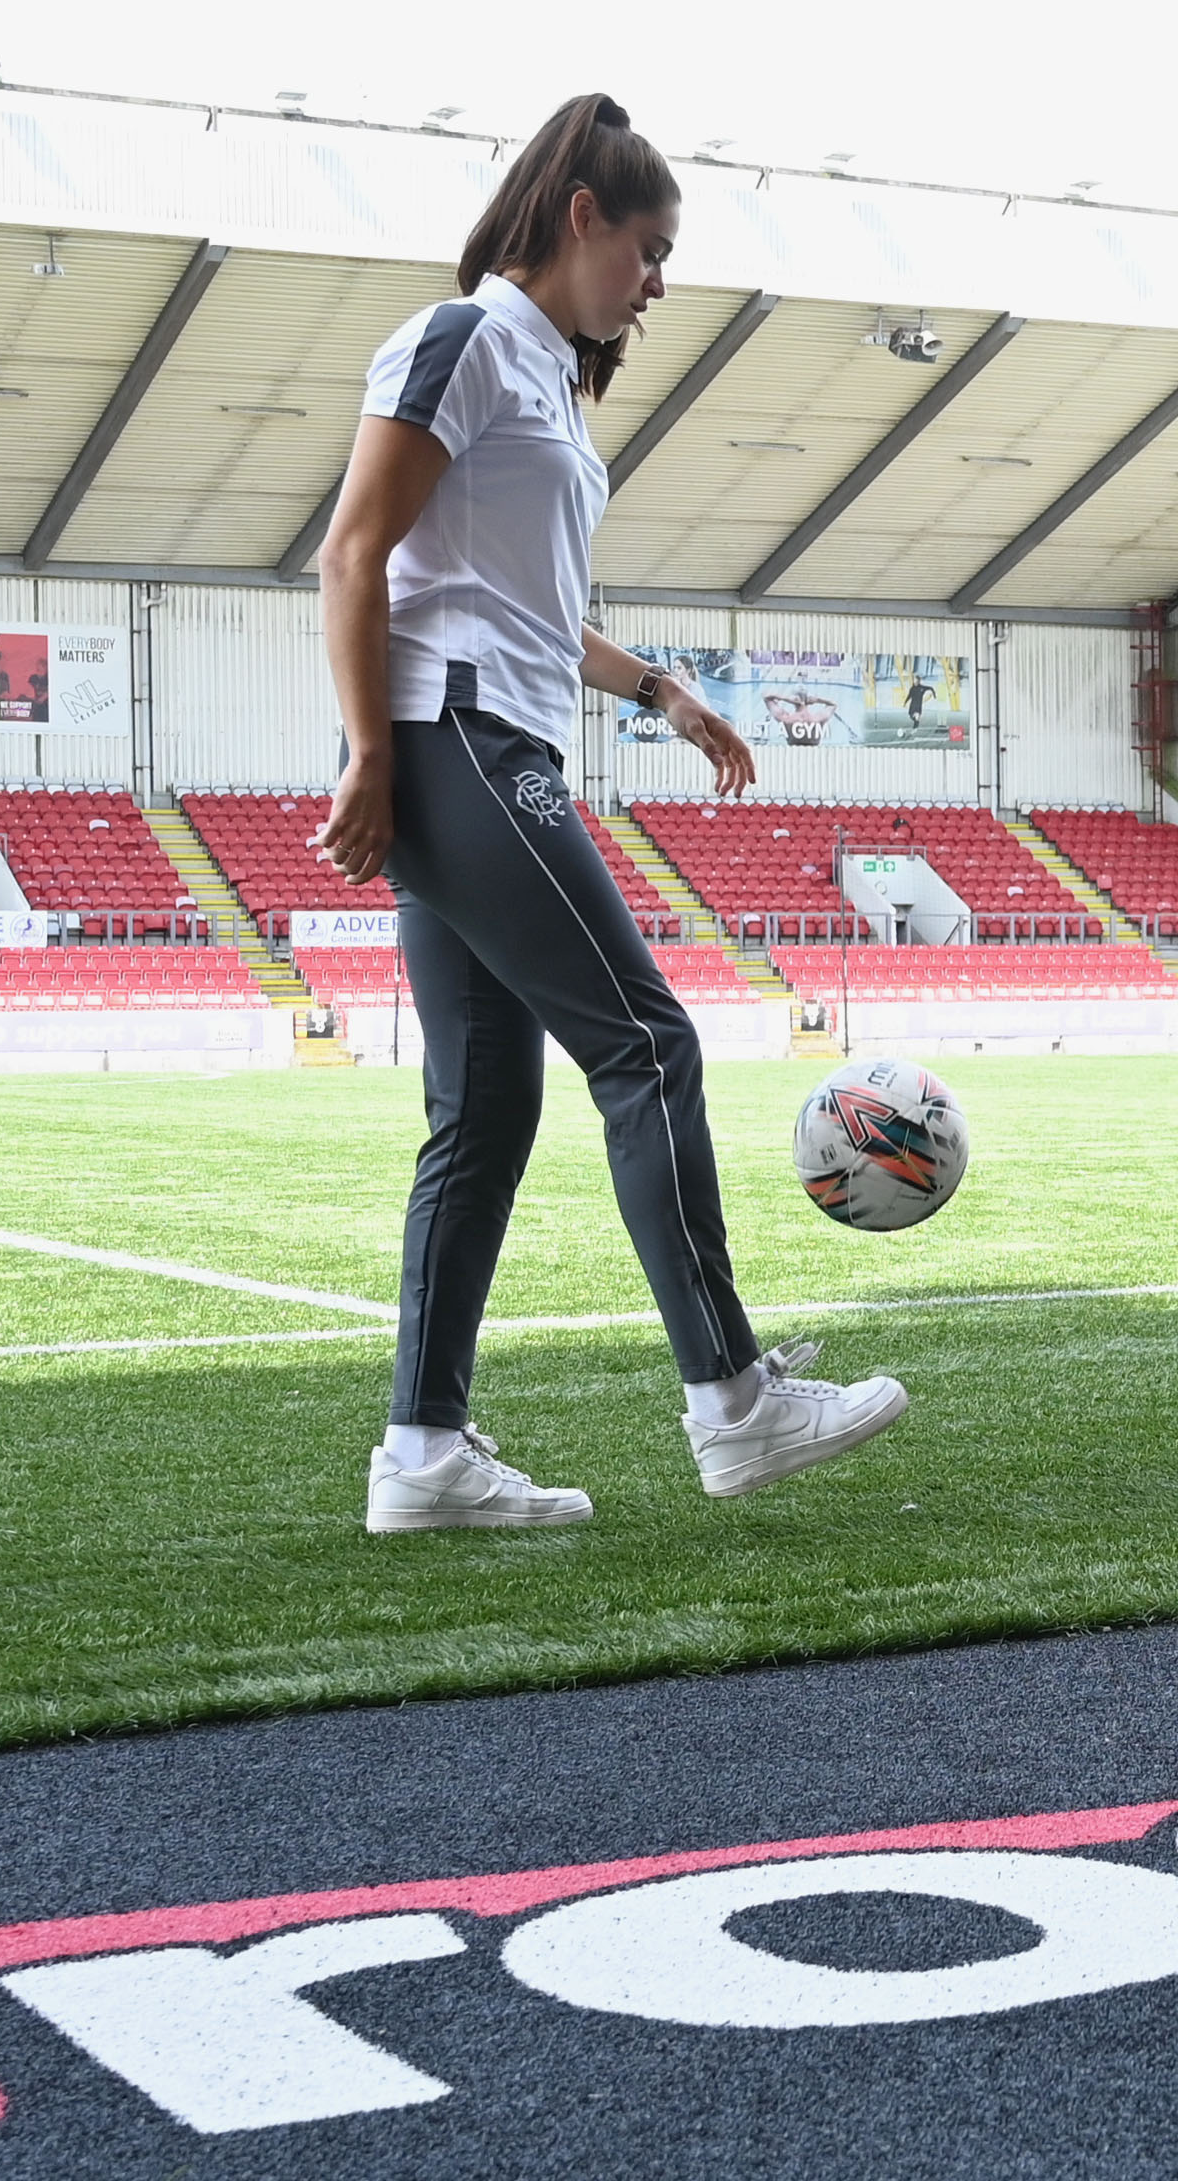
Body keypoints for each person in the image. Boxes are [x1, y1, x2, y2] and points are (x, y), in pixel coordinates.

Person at [313, 94, 905, 1529]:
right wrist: (370, 760)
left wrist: (664, 695)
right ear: (578, 216)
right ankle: (735, 1404)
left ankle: (424, 1459)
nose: (655, 282)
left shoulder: (541, 380)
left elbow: (533, 610)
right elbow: (352, 551)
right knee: (645, 1043)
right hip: (453, 738)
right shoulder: (461, 338)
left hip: (487, 728)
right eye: (647, 248)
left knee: (488, 1108)